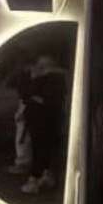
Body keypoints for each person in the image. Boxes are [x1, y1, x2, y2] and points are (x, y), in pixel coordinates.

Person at [20, 55, 68, 194]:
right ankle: (45, 175)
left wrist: (34, 87)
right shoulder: (57, 79)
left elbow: (31, 95)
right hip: (45, 119)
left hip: (42, 120)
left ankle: (35, 179)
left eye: (41, 65)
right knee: (45, 149)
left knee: (39, 149)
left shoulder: (49, 79)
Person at [6, 61, 34, 175]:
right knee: (23, 137)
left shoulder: (26, 77)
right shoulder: (27, 76)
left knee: (23, 138)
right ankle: (24, 162)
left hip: (26, 105)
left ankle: (23, 163)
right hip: (26, 105)